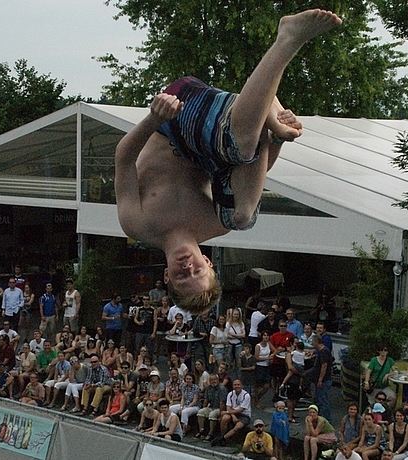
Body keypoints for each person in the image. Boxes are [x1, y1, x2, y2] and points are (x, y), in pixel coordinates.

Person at [114, 9, 342, 314]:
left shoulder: (137, 223)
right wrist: (274, 142)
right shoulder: (216, 225)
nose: (188, 266)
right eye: (197, 271)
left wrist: (153, 118)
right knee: (243, 216)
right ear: (208, 263)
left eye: (182, 275)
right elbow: (256, 171)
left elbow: (124, 159)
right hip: (214, 147)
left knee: (238, 147)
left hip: (175, 117)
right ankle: (267, 120)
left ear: (167, 275)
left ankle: (287, 40)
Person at [212, 379, 251, 446]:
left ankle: (223, 438)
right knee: (225, 418)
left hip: (244, 415)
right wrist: (233, 416)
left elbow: (241, 410)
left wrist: (228, 412)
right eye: (235, 385)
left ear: (241, 386)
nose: (236, 386)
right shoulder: (230, 394)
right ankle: (222, 435)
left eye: (238, 385)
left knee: (238, 426)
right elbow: (228, 407)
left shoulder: (246, 395)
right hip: (232, 413)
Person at [196, 373, 227, 440]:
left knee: (212, 415)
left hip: (219, 408)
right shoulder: (208, 388)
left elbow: (222, 403)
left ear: (218, 380)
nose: (213, 381)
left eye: (215, 379)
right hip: (211, 407)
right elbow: (206, 400)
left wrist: (221, 416)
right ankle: (202, 431)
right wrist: (204, 408)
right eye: (211, 380)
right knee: (200, 412)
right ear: (209, 381)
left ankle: (211, 433)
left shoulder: (222, 389)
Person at [254, 330, 273, 408]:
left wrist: (272, 355)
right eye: (264, 335)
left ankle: (256, 398)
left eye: (267, 335)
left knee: (266, 386)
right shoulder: (258, 346)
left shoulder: (269, 344)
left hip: (267, 366)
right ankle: (256, 401)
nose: (266, 337)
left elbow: (275, 351)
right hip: (259, 367)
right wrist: (267, 358)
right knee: (258, 385)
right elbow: (256, 357)